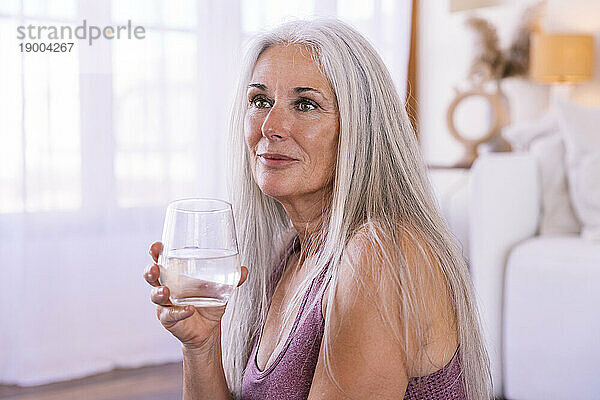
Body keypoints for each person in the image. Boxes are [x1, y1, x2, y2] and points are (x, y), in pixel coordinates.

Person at [144, 18, 492, 400]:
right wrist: (201, 345)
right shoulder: (287, 255)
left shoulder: (379, 255)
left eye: (306, 104)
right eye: (261, 101)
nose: (271, 125)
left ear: (361, 129)